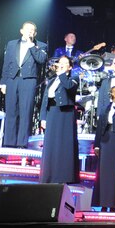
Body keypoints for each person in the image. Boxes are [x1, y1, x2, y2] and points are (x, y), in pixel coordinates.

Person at [0, 21, 48, 148]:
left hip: (28, 80)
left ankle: (22, 143)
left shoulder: (40, 45)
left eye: (32, 30)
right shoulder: (11, 44)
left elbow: (41, 60)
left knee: (25, 112)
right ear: (22, 31)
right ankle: (9, 143)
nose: (30, 32)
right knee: (11, 111)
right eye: (28, 29)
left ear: (35, 33)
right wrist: (3, 82)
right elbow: (7, 63)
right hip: (12, 79)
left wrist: (32, 45)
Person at [39, 56, 79, 184]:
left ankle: (64, 176)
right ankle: (48, 175)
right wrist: (43, 118)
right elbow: (45, 99)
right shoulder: (51, 80)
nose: (61, 64)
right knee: (51, 144)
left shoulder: (73, 78)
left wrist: (62, 74)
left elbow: (68, 87)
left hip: (65, 114)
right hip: (52, 112)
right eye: (60, 62)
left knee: (64, 145)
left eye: (65, 63)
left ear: (70, 67)